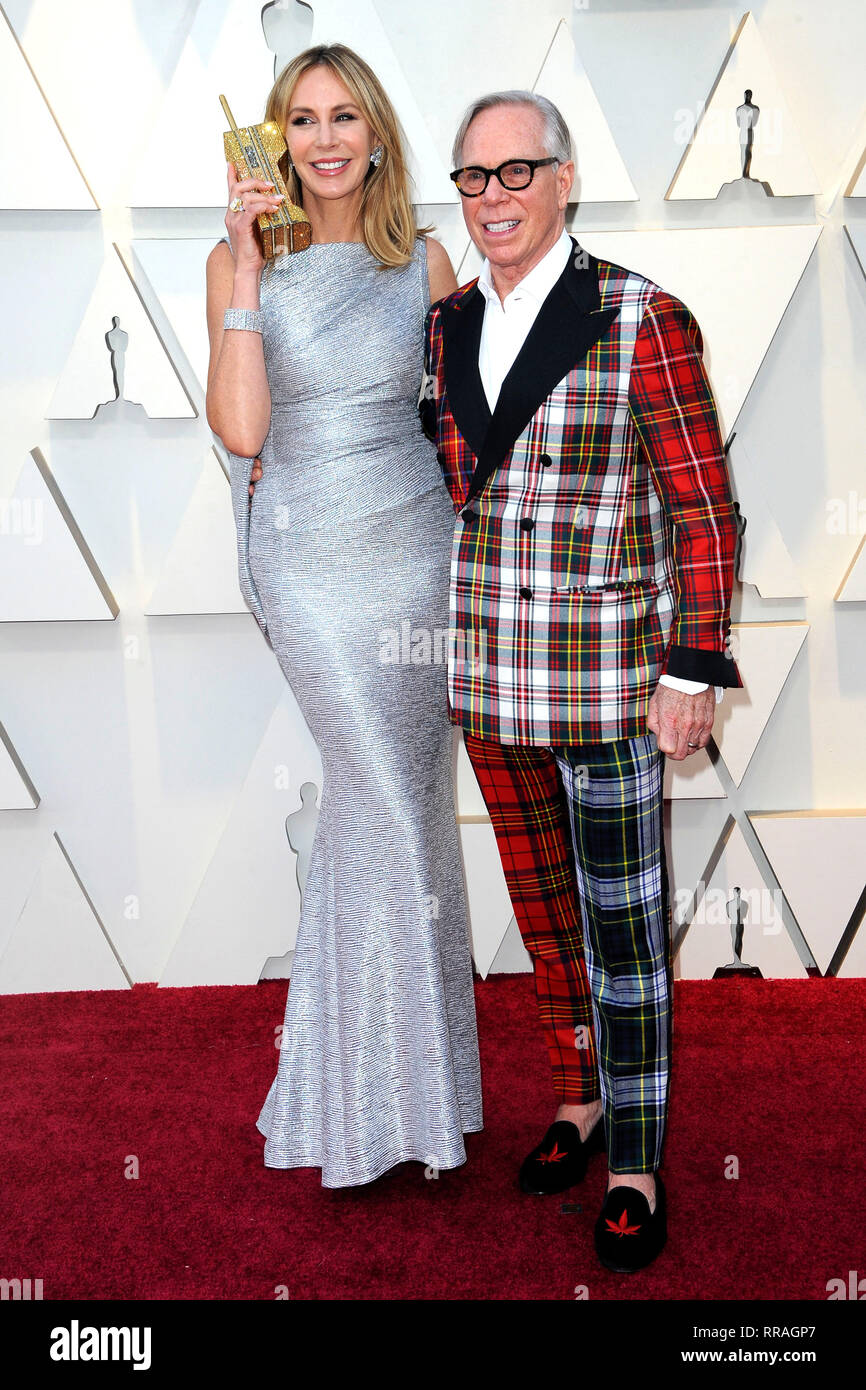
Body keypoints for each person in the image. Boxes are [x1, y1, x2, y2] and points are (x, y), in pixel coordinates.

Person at [421, 89, 742, 1271]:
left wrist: (692, 664)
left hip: (608, 684)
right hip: (490, 682)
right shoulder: (446, 321)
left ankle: (637, 1158)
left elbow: (702, 505)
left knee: (620, 934)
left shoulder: (639, 315)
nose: (493, 198)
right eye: (472, 178)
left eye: (515, 173)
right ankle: (577, 1099)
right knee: (548, 923)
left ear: (564, 180)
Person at [205, 43, 482, 1189]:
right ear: (273, 141)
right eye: (300, 120)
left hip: (419, 558)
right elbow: (242, 432)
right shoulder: (238, 264)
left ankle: (413, 1098)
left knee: (406, 810)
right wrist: (239, 265)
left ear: (374, 135)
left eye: (343, 117)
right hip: (310, 561)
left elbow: (467, 418)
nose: (323, 139)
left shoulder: (422, 260)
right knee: (378, 799)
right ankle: (373, 1102)